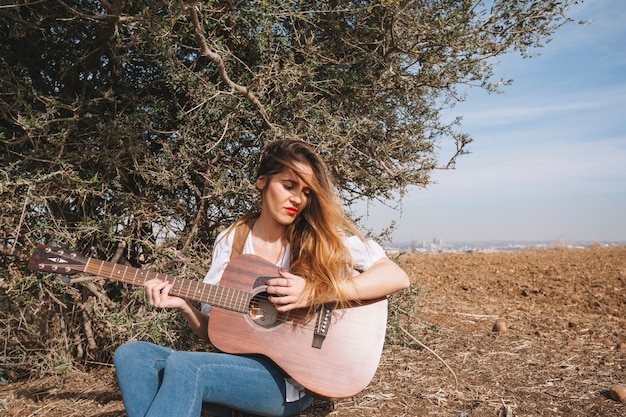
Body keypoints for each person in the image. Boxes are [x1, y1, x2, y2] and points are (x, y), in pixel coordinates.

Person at [113, 139, 410, 417]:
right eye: (289, 185)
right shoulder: (234, 241)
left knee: (186, 366)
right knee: (132, 355)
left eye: (307, 192)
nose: (298, 199)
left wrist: (315, 293)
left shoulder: (319, 237)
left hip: (292, 380)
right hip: (237, 371)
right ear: (262, 182)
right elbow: (216, 333)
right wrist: (184, 306)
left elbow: (395, 277)